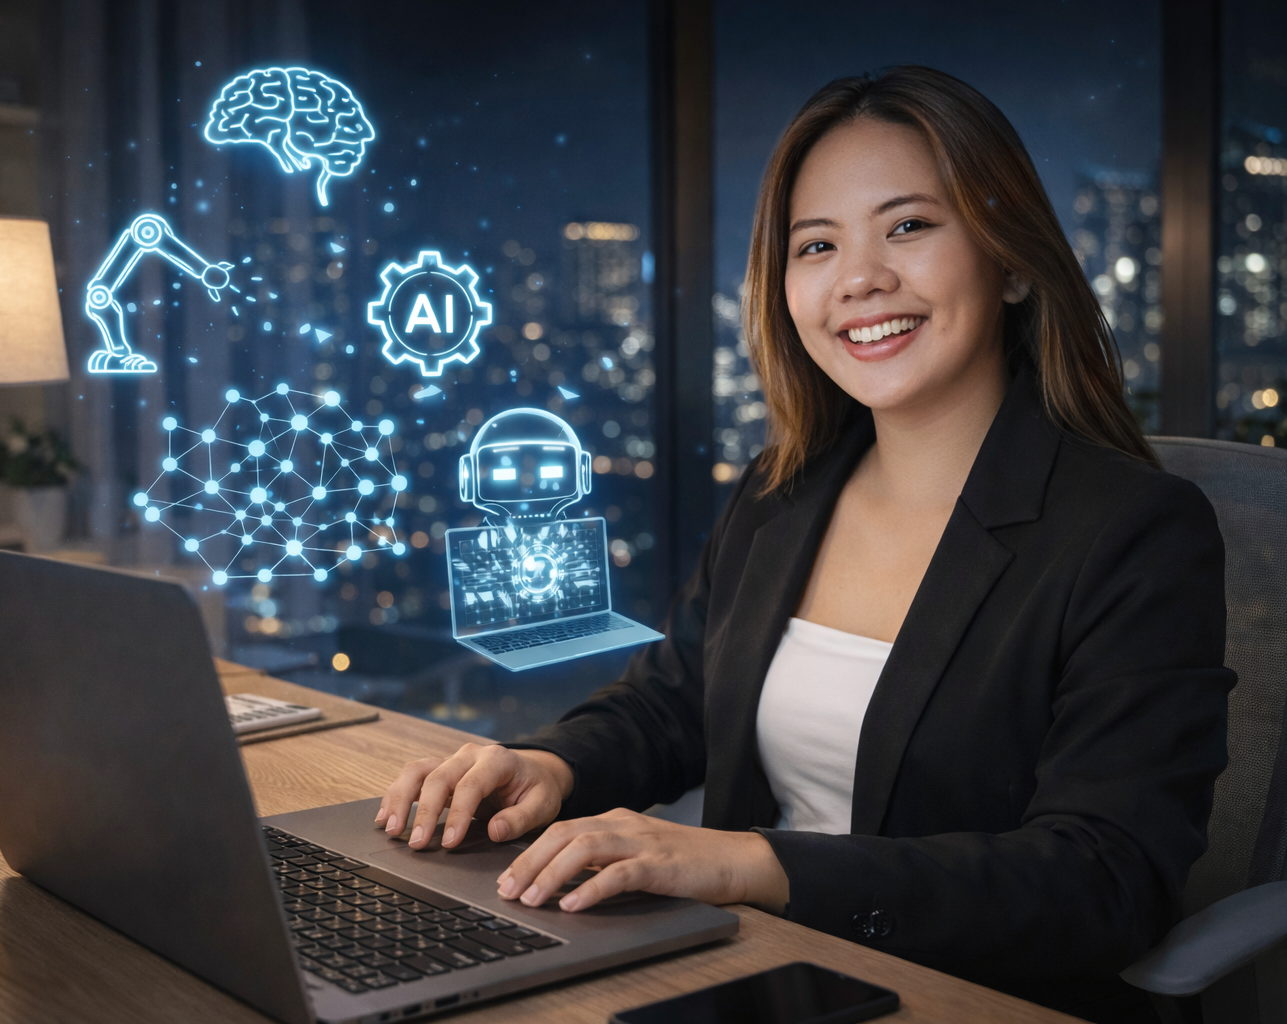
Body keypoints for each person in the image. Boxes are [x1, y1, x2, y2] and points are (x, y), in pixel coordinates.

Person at [379, 66, 1233, 1023]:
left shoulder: (1132, 533)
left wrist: (752, 862)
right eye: (816, 245)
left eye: (908, 226)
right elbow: (678, 702)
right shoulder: (784, 489)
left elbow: (1101, 881)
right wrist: (552, 766)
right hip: (752, 973)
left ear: (1013, 261)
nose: (859, 278)